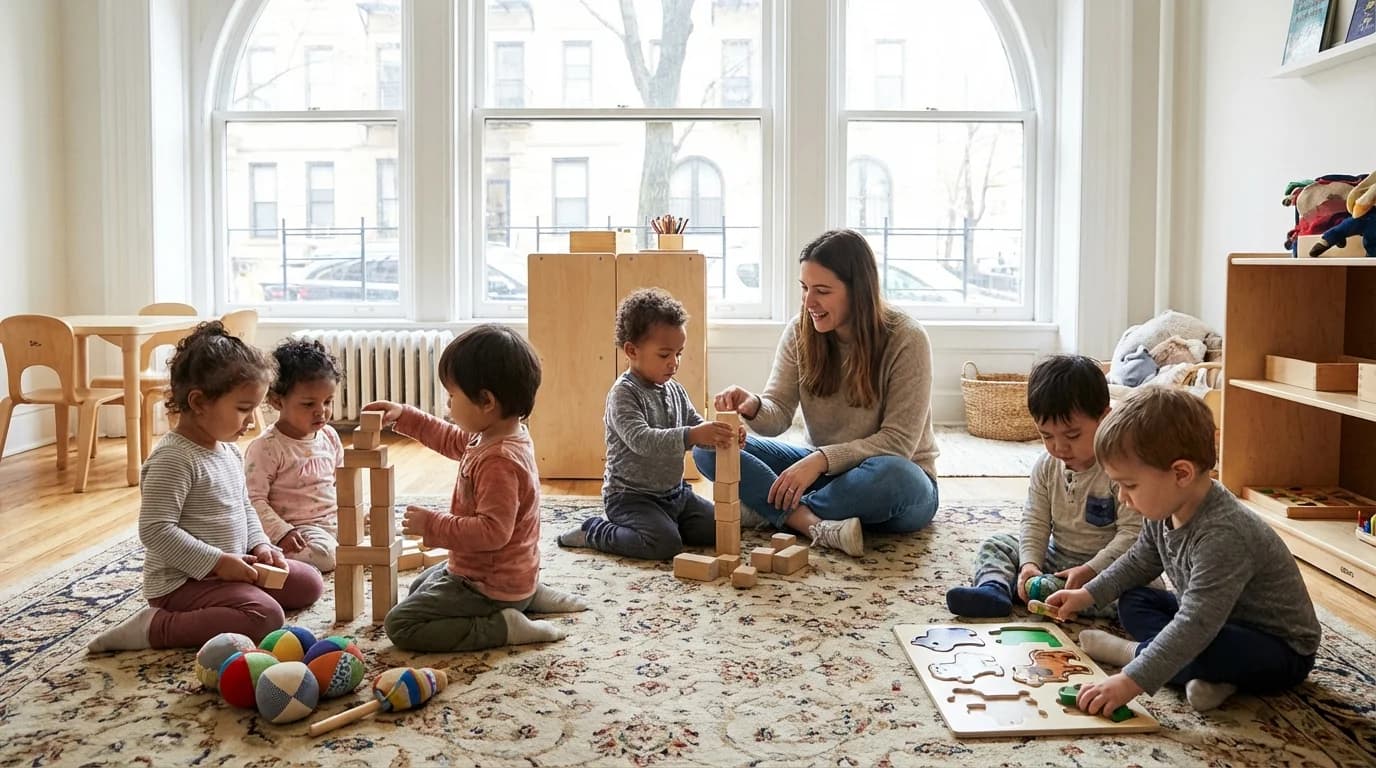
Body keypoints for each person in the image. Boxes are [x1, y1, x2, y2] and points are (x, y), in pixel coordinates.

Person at [1046, 387, 1321, 713]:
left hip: (1278, 648)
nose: (1122, 497)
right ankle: (1202, 674)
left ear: (1181, 473)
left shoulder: (1224, 534)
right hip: (1212, 619)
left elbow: (1195, 624)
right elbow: (1139, 561)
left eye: (1129, 485)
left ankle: (1133, 654)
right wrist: (1088, 594)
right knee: (1135, 599)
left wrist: (1129, 681)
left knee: (1199, 642)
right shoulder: (1163, 508)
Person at [693, 228, 940, 557]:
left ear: (858, 291)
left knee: (895, 479)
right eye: (805, 288)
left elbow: (897, 443)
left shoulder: (907, 338)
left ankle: (773, 511)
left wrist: (820, 460)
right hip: (823, 476)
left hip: (893, 482)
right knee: (710, 445)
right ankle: (809, 520)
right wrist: (752, 405)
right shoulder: (800, 331)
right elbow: (777, 415)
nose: (809, 302)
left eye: (822, 291)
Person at [87, 322, 324, 652]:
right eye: (243, 409)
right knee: (266, 616)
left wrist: (259, 545)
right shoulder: (173, 459)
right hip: (185, 582)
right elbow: (155, 530)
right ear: (198, 402)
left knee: (309, 582)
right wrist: (218, 563)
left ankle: (235, 598)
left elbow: (244, 506)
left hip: (233, 567)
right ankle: (156, 626)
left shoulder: (226, 449)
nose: (251, 420)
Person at [368, 324, 588, 652]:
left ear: (486, 401)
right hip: (503, 572)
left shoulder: (500, 460)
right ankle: (526, 595)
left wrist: (433, 526)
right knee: (419, 586)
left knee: (401, 623)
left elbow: (492, 533)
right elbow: (448, 438)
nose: (447, 405)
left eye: (452, 396)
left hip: (490, 584)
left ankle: (503, 624)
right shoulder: (498, 433)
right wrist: (404, 416)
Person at [945, 355, 1142, 617]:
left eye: (1072, 435)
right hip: (1057, 559)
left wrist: (1091, 570)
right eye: (1046, 435)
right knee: (998, 544)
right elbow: (1035, 521)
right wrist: (1029, 565)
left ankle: (1058, 596)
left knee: (1139, 595)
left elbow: (1132, 536)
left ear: (1105, 418)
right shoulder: (1046, 466)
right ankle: (994, 590)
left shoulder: (1120, 469)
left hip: (1105, 569)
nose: (1059, 447)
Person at [557, 288, 741, 560]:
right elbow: (643, 441)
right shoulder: (623, 394)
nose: (674, 363)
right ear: (632, 350)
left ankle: (664, 524)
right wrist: (693, 435)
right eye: (665, 354)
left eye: (679, 353)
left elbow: (695, 426)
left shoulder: (674, 389)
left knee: (721, 528)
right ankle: (593, 531)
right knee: (664, 545)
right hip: (630, 497)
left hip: (674, 494)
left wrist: (721, 436)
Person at [245, 339, 345, 572]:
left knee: (389, 530)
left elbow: (340, 483)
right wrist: (281, 532)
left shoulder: (329, 436)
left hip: (334, 521)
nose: (322, 411)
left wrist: (356, 512)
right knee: (326, 556)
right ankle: (268, 558)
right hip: (296, 530)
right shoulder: (266, 447)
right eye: (309, 404)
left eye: (328, 401)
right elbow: (252, 500)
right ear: (277, 401)